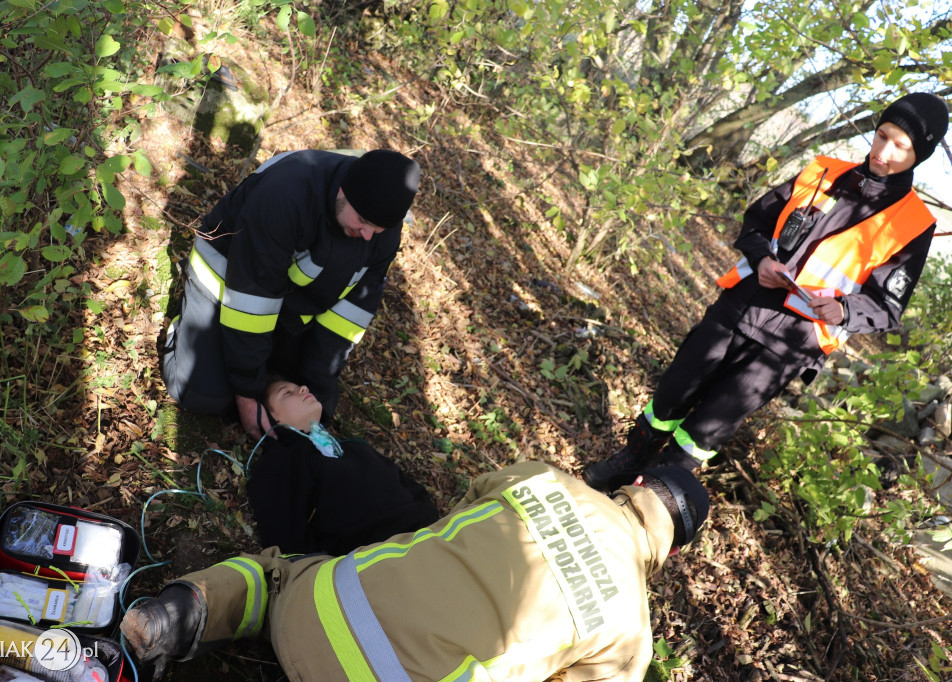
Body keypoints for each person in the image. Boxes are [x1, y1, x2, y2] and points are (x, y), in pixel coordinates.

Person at [584, 91, 949, 489]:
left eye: (901, 145)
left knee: (711, 424)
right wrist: (761, 259)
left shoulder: (913, 223)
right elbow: (757, 220)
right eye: (882, 136)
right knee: (675, 387)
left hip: (792, 341)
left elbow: (887, 307)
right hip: (741, 304)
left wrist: (844, 310)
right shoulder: (822, 172)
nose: (884, 151)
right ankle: (632, 456)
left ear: (920, 154)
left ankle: (651, 492)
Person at [120, 462, 710, 681]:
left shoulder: (548, 479)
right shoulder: (632, 634)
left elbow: (457, 512)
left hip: (319, 612)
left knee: (277, 575)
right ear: (673, 552)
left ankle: (175, 613)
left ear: (634, 486)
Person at [162, 149, 421, 437]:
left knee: (304, 393)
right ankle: (181, 330)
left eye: (380, 228)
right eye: (362, 221)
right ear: (343, 191)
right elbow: (252, 298)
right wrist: (247, 395)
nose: (369, 236)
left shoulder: (382, 229)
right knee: (204, 393)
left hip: (288, 299)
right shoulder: (288, 193)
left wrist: (319, 391)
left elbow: (349, 318)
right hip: (224, 279)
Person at [249, 375, 438, 555]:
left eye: (299, 387)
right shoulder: (282, 462)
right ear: (271, 419)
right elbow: (285, 540)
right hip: (382, 557)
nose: (303, 388)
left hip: (430, 536)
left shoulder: (355, 446)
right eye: (287, 393)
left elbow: (412, 487)